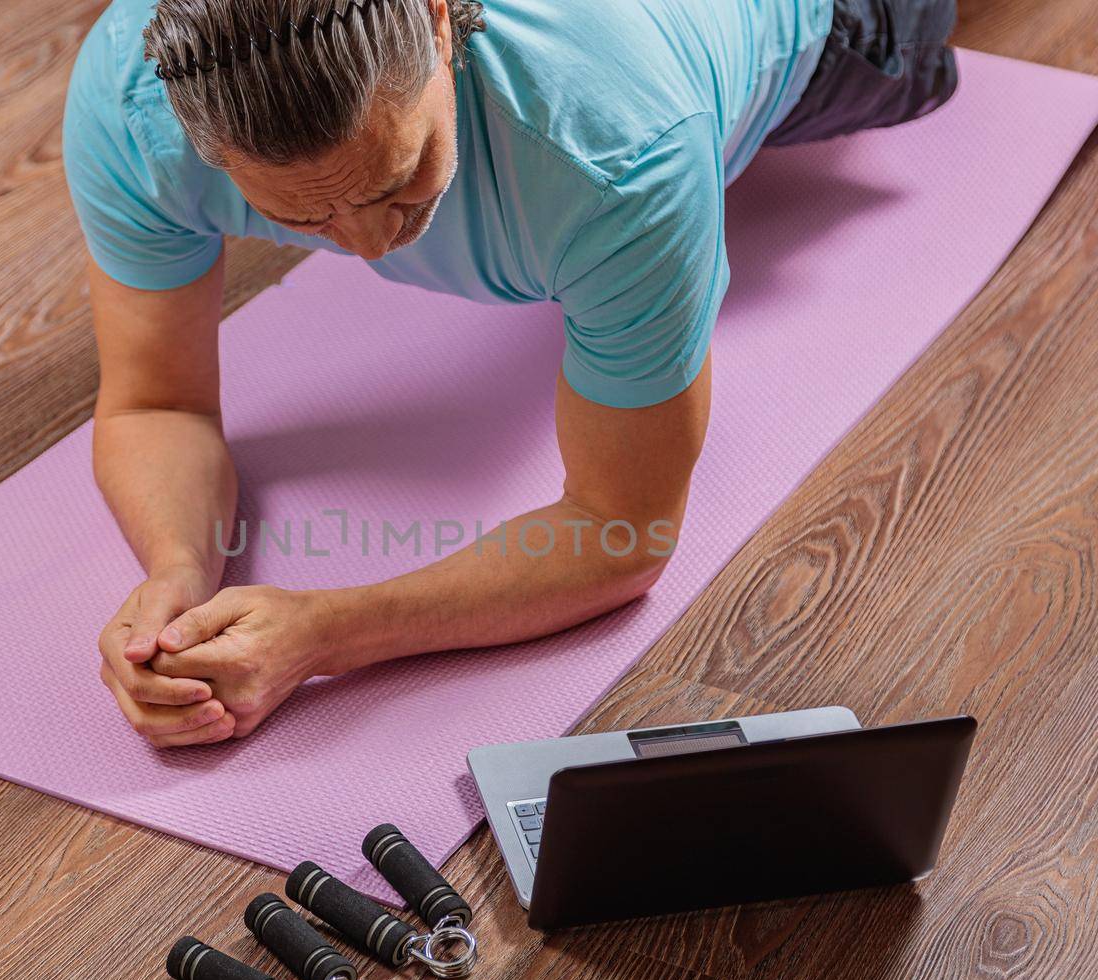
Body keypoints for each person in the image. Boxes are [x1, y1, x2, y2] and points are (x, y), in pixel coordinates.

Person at [63, 0, 957, 746]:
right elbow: (156, 402)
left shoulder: (621, 151)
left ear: (442, 23)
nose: (370, 244)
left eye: (397, 178)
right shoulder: (133, 105)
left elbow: (621, 531)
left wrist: (324, 630)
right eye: (302, 215)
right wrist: (177, 572)